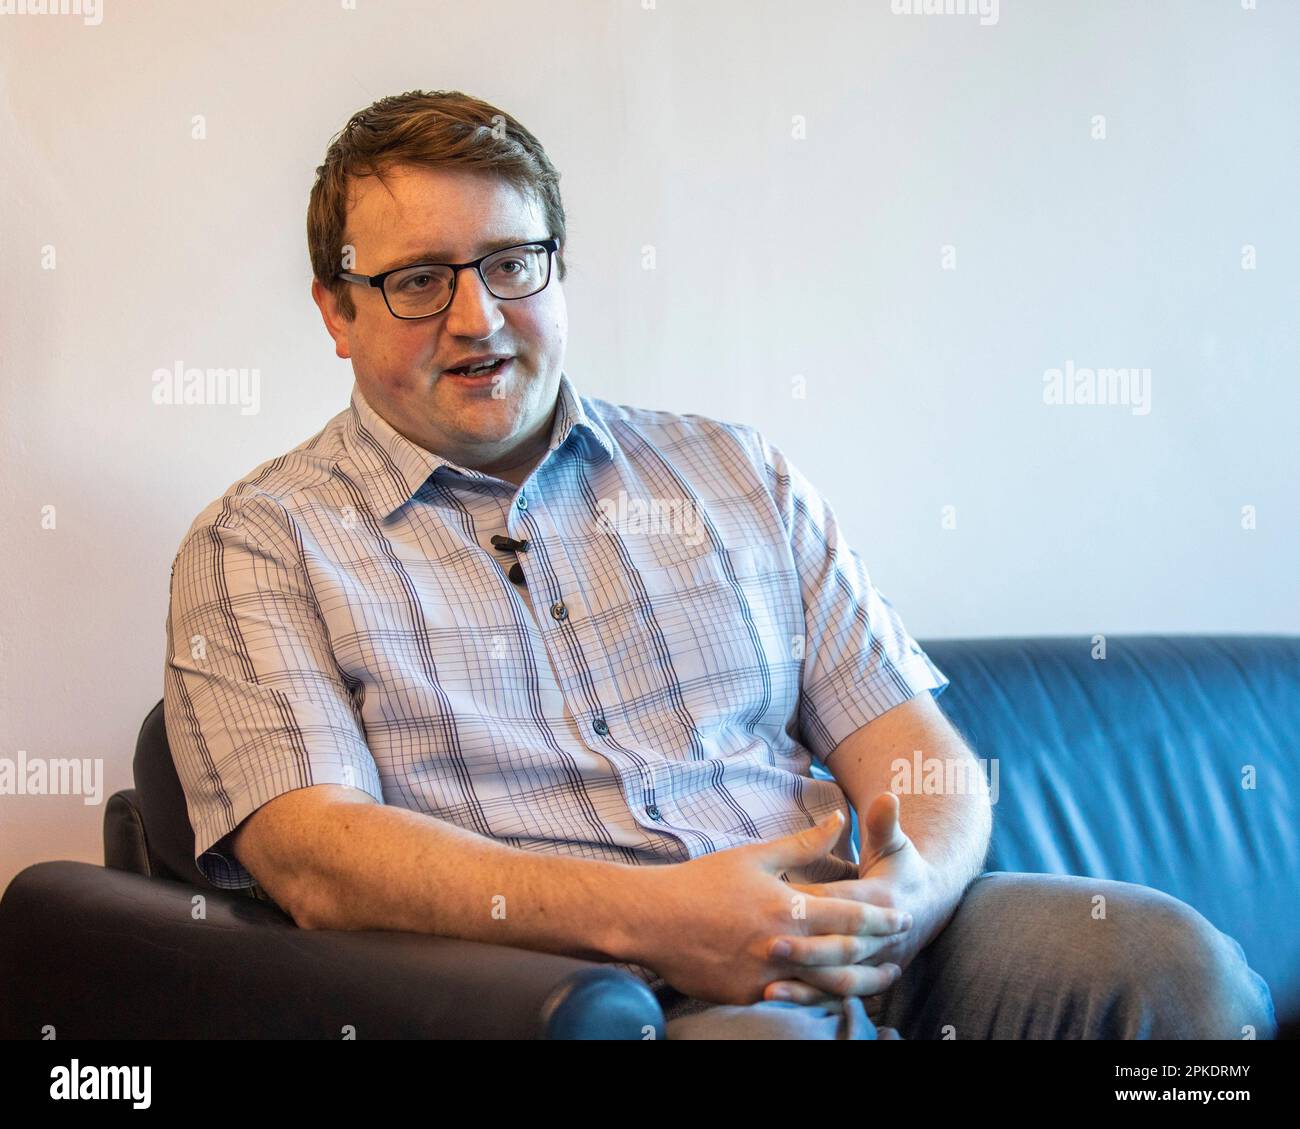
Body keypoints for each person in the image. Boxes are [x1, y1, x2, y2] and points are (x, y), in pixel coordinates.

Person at [163, 90, 1276, 1040]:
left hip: (857, 935)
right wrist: (656, 919)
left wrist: (906, 899)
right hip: (594, 992)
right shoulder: (257, 542)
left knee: (1171, 966)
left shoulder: (731, 471)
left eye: (511, 264)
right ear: (337, 310)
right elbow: (318, 859)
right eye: (419, 280)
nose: (478, 317)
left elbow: (917, 754)